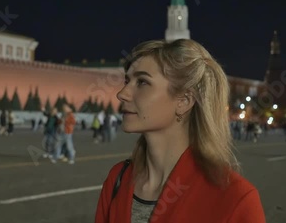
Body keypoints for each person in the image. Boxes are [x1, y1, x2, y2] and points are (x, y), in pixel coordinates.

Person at [95, 39, 265, 223]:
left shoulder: (235, 198)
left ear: (184, 101)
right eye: (127, 80)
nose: (122, 93)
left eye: (142, 82)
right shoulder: (117, 179)